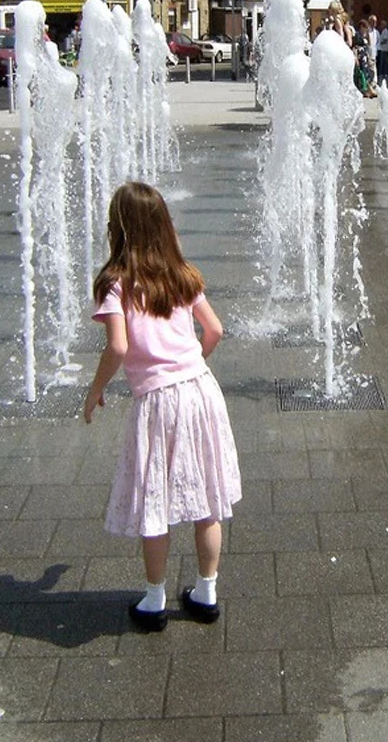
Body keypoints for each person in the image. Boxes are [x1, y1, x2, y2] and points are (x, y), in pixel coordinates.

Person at [83, 181, 241, 632]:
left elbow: (118, 346)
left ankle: (154, 601)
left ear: (118, 229)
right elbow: (214, 330)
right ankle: (206, 593)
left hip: (156, 401)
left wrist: (95, 389)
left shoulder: (115, 283)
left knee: (156, 499)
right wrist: (190, 365)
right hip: (201, 391)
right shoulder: (182, 274)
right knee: (207, 499)